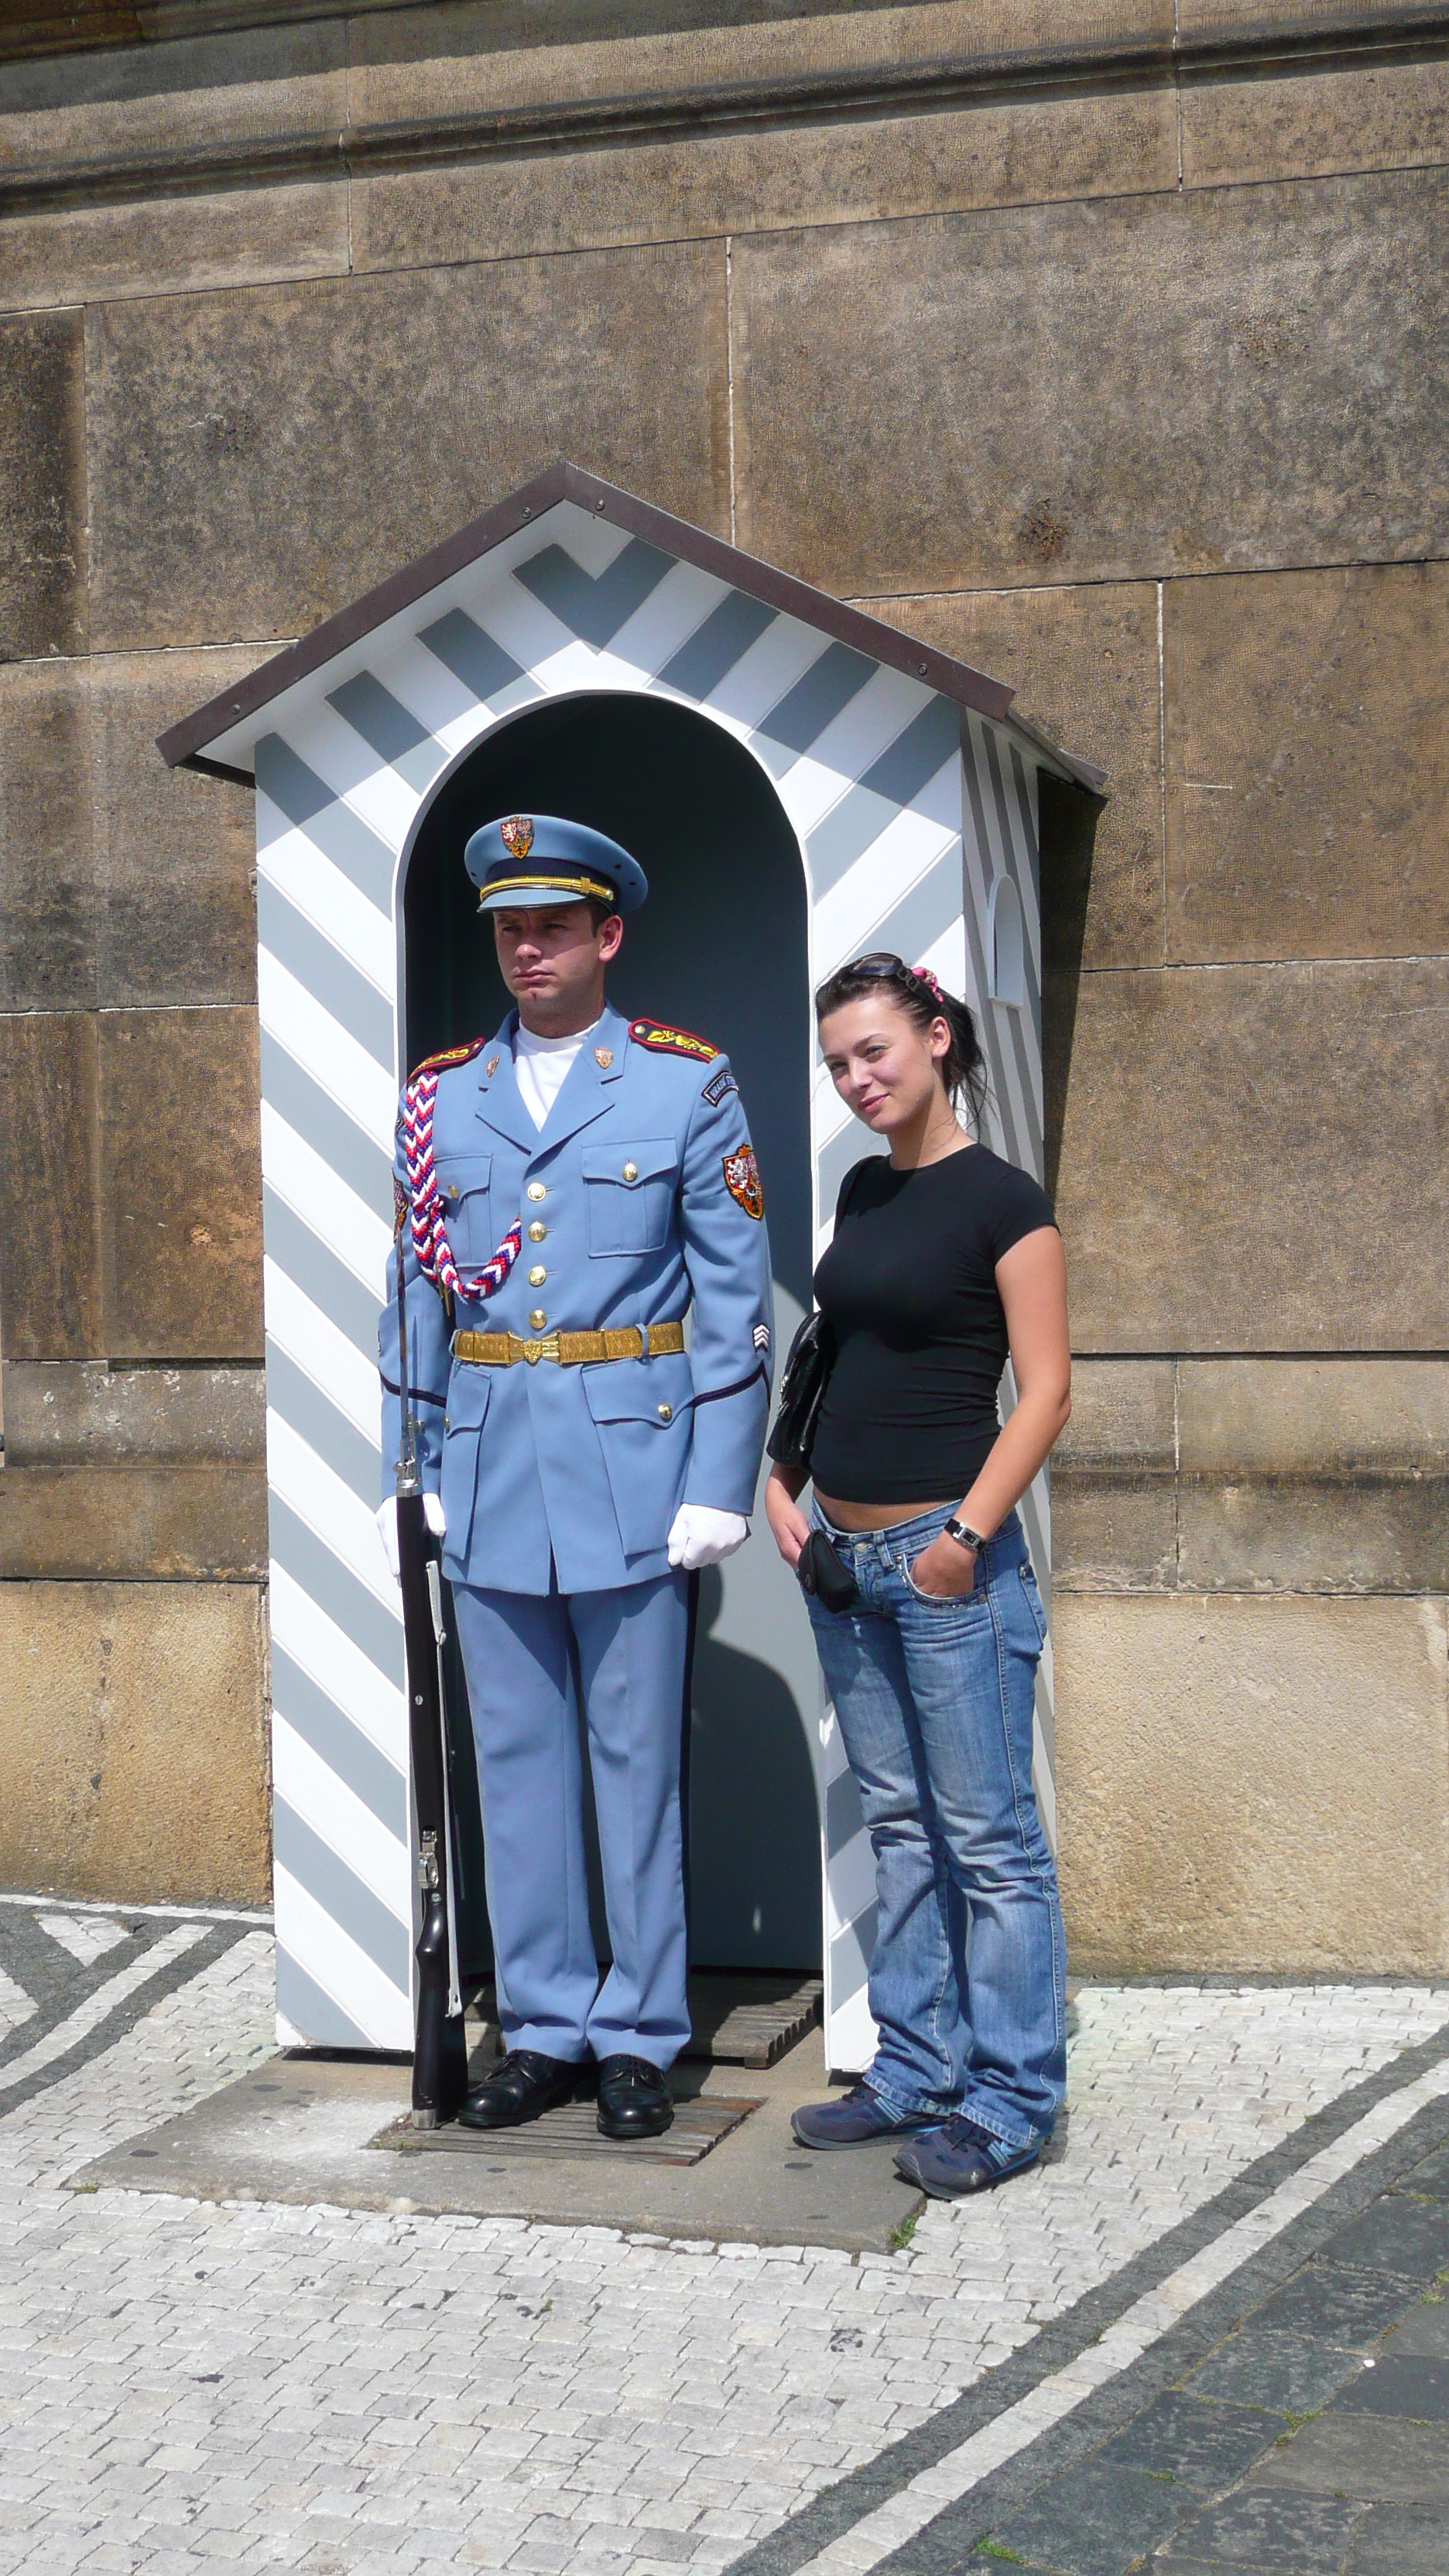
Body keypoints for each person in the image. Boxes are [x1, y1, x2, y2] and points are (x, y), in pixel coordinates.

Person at [378, 813, 772, 2140]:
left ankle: (640, 2034)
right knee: (517, 1762)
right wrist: (417, 1455)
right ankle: (545, 2023)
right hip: (492, 1471)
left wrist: (722, 1473)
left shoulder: (683, 1084)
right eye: (507, 928)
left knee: (633, 1762)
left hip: (635, 1468)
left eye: (551, 927)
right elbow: (420, 1295)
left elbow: (731, 1303)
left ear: (608, 937)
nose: (526, 949)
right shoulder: (441, 1096)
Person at [765, 952, 1070, 2198]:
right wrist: (783, 1483)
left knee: (990, 1843)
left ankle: (1011, 2103)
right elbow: (835, 1348)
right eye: (838, 1062)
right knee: (900, 1824)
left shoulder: (1006, 1202)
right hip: (844, 1562)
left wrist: (963, 1542)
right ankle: (917, 2069)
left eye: (875, 1051)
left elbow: (1045, 1389)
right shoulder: (863, 1191)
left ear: (937, 1036)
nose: (856, 1079)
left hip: (948, 1564)